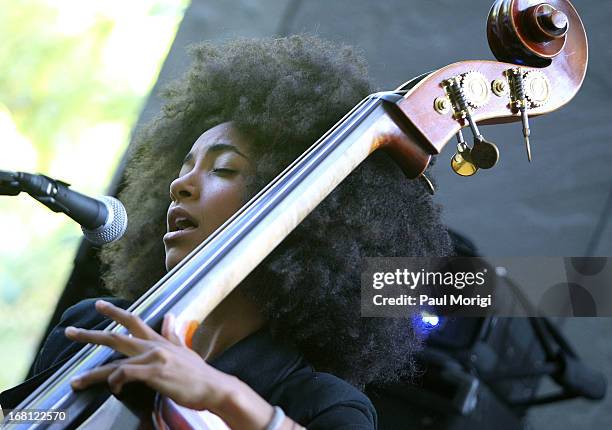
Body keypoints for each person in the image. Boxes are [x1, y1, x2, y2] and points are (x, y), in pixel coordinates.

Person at [0, 35, 453, 428]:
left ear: (307, 218)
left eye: (223, 168)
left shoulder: (317, 403)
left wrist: (219, 394)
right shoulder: (94, 328)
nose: (179, 185)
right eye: (183, 167)